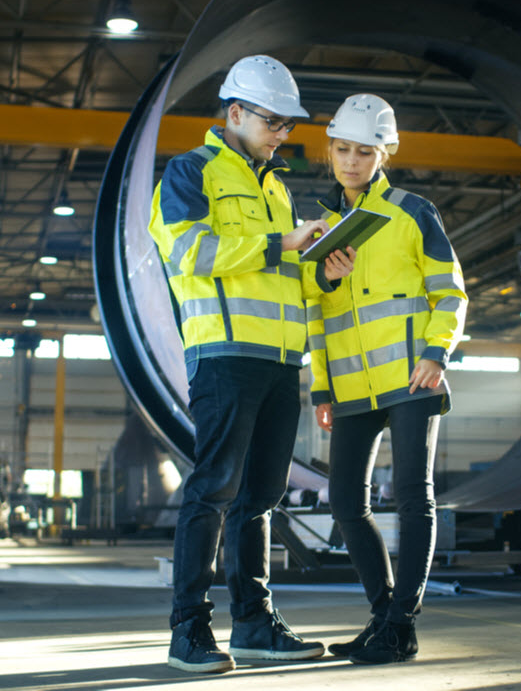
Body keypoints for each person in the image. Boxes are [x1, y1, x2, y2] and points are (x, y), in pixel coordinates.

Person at [149, 55, 354, 674]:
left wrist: (322, 271)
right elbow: (189, 251)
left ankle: (253, 624)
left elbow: (285, 281)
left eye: (288, 124)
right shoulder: (192, 172)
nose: (282, 133)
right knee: (213, 491)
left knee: (261, 498)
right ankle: (188, 631)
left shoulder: (277, 189)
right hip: (225, 357)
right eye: (272, 120)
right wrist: (284, 241)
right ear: (234, 112)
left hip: (279, 362)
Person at [306, 94, 468, 665]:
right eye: (343, 149)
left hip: (411, 377)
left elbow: (450, 292)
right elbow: (317, 315)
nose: (351, 161)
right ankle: (382, 617)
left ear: (385, 152)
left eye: (364, 151)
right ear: (330, 149)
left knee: (412, 498)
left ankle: (401, 624)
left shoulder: (412, 211)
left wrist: (436, 353)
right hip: (350, 387)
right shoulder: (320, 226)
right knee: (347, 501)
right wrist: (322, 388)